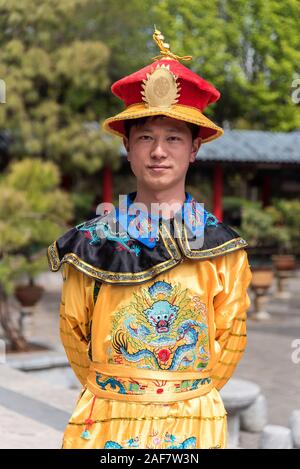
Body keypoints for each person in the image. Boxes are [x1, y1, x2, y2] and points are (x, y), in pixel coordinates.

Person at [47, 28, 252, 449]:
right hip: (106, 418)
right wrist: (117, 394)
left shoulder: (223, 248)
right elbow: (73, 330)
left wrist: (185, 396)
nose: (159, 151)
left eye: (173, 138)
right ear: (127, 146)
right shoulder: (90, 245)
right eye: (146, 138)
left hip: (194, 419)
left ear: (195, 148)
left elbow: (232, 335)